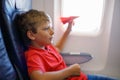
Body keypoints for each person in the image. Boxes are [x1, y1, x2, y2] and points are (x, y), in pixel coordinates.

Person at [15, 9, 117, 80]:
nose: (52, 32)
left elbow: (58, 48)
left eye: (51, 27)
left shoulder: (46, 46)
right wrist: (69, 71)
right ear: (31, 35)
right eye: (46, 29)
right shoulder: (34, 56)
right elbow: (38, 78)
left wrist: (68, 30)